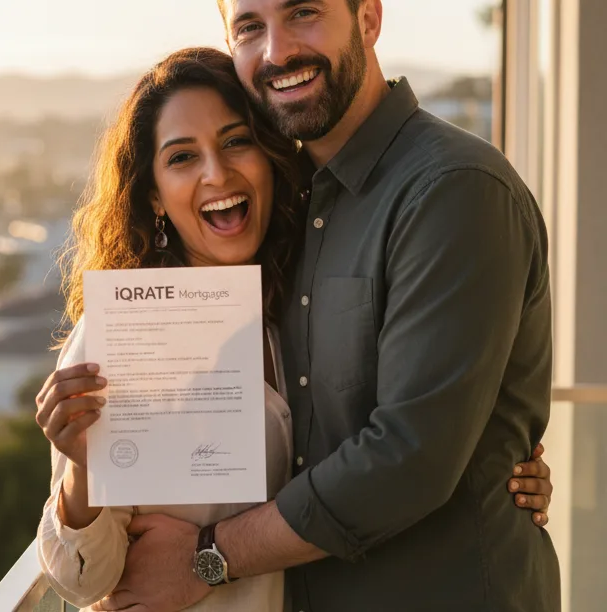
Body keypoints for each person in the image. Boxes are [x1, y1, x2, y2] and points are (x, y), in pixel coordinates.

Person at [65, 1, 559, 611]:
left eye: (302, 11)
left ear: (369, 18)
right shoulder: (285, 220)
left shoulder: (453, 190)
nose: (277, 51)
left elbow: (412, 455)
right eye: (250, 26)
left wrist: (206, 556)